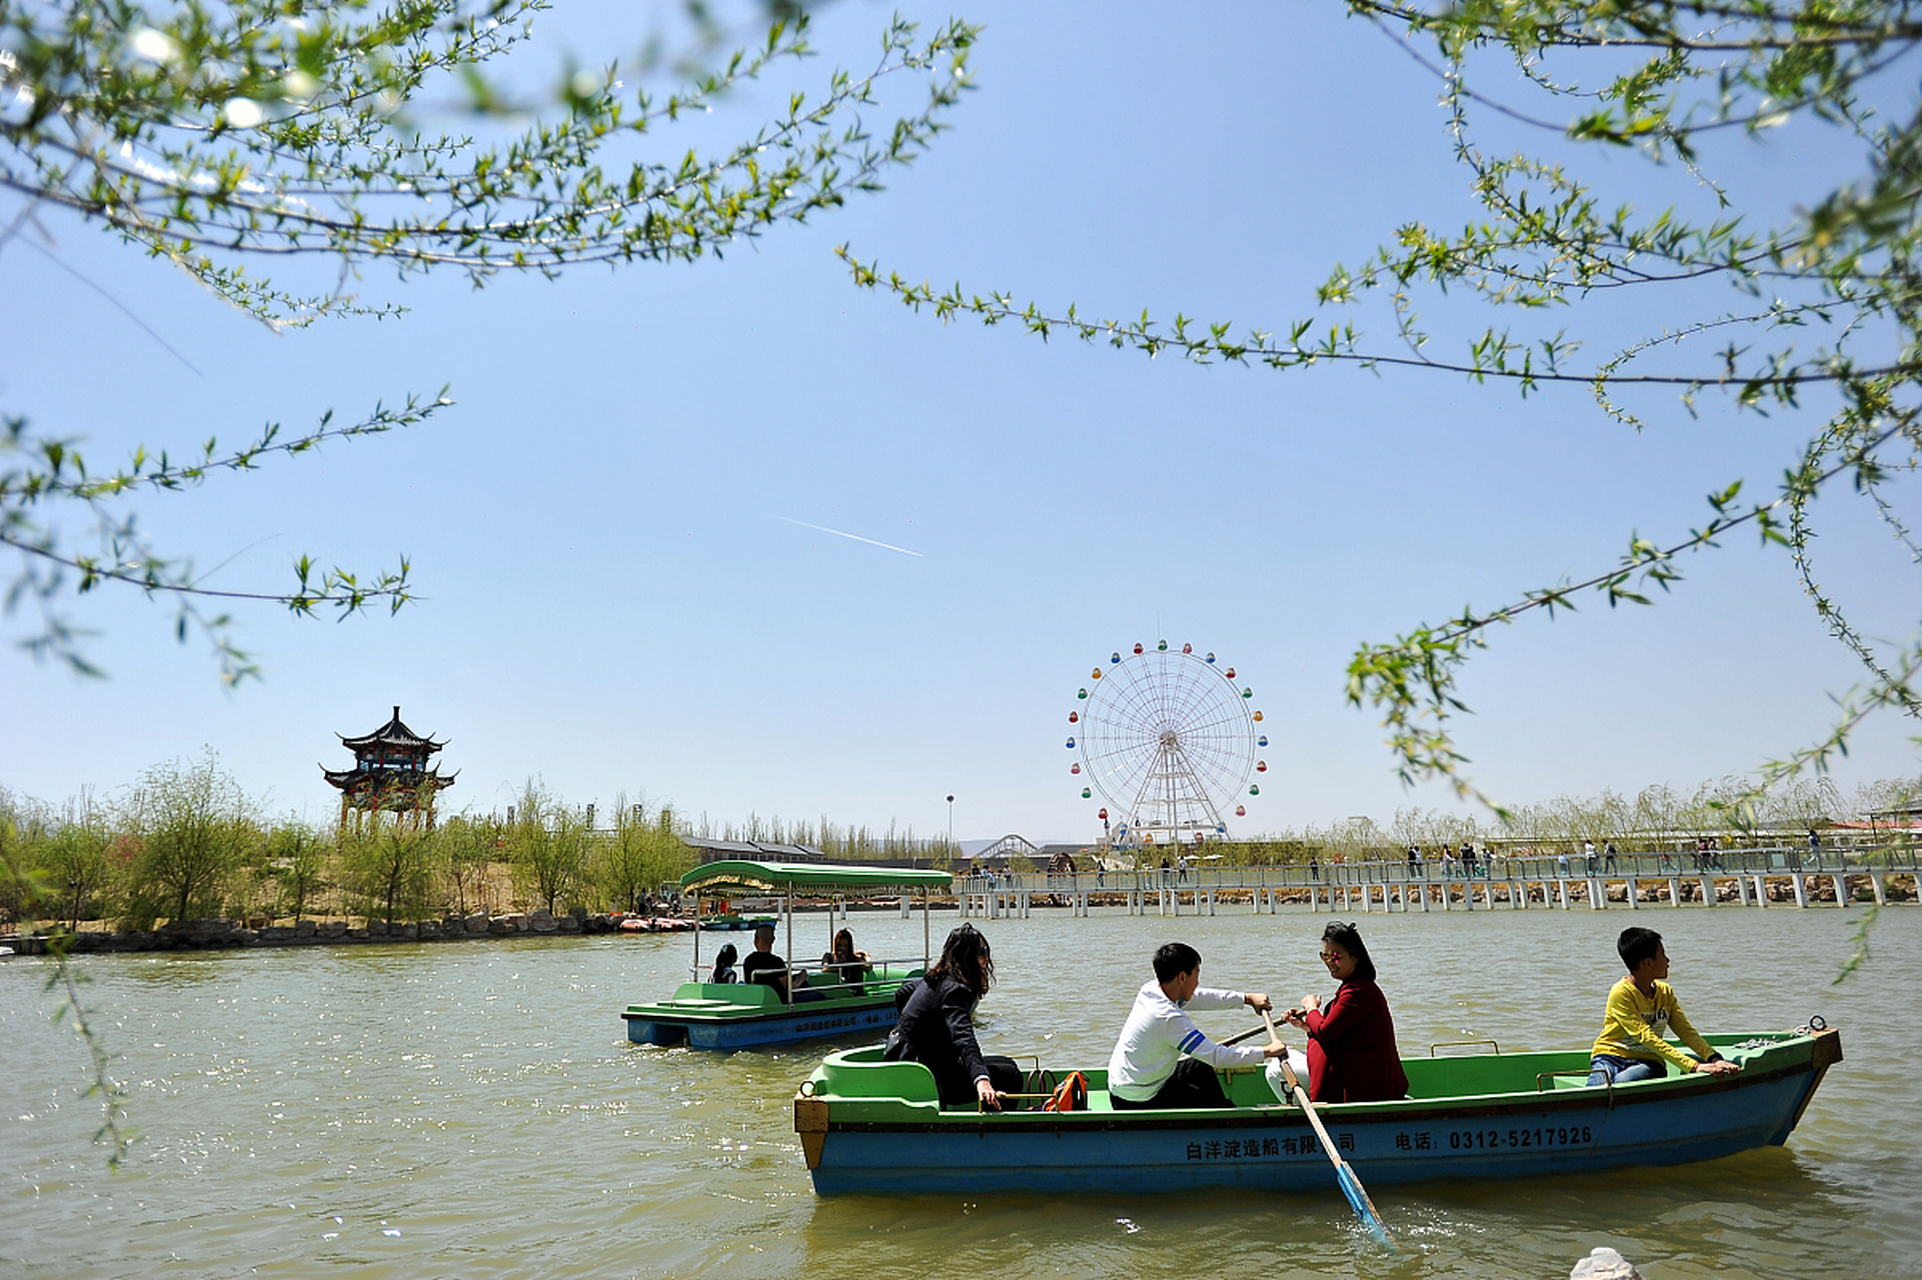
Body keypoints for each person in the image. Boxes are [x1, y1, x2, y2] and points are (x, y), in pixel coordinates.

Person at [1107, 942, 1290, 1110]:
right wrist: (1267, 1051)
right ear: (1182, 977)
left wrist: (1246, 998)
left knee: (1198, 1066)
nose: (1198, 982)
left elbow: (1198, 997)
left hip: (1129, 1081)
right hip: (1137, 1098)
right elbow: (1217, 1057)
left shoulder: (1152, 989)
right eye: (1197, 974)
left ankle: (1216, 1106)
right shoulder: (1168, 1018)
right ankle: (1223, 1113)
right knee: (1223, 1109)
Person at [883, 924, 1022, 1110]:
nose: (986, 958)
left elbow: (901, 993)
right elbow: (963, 1037)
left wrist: (921, 1034)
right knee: (1010, 1076)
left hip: (908, 1062)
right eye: (981, 952)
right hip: (929, 1077)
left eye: (986, 951)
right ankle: (992, 1131)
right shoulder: (955, 990)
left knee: (1007, 1063)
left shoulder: (935, 978)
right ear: (966, 956)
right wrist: (981, 1080)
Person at [1587, 927, 1742, 1086]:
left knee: (1623, 1082)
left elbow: (1686, 1032)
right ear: (1648, 963)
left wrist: (1714, 1059)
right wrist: (1694, 1066)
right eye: (1663, 954)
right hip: (1609, 1057)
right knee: (1595, 1089)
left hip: (1648, 1063)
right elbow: (1645, 1036)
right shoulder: (1621, 992)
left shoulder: (1665, 993)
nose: (1668, 960)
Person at [1281, 920, 1409, 1104]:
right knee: (1282, 1061)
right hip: (1356, 1076)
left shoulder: (1358, 991)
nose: (1330, 962)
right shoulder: (1353, 987)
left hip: (1368, 1086)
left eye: (1336, 956)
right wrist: (1305, 1025)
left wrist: (1311, 1009)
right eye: (1325, 956)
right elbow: (1337, 1032)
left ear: (1355, 956)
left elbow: (1326, 1031)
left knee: (1277, 1069)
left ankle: (1307, 1116)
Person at [742, 923, 790, 1000]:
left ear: (755, 940)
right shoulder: (777, 962)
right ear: (773, 940)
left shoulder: (748, 961)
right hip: (779, 1000)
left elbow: (748, 983)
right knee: (814, 995)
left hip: (756, 998)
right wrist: (800, 979)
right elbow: (788, 986)